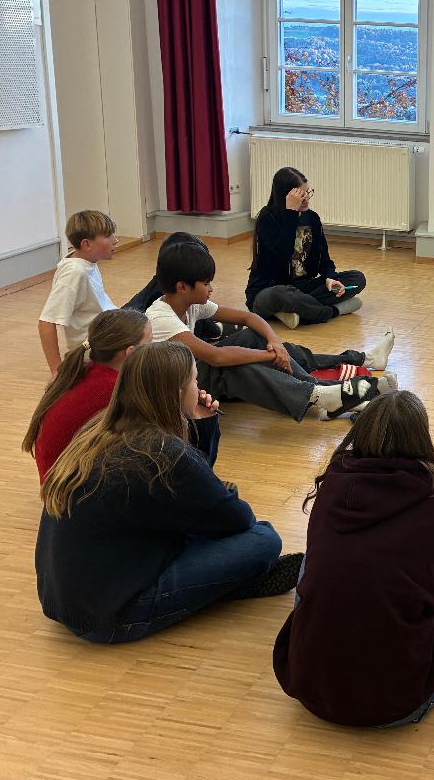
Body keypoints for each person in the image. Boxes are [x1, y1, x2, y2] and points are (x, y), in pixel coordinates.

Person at [35, 341, 303, 643]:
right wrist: (206, 438)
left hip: (60, 599)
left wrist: (201, 427)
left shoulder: (99, 428)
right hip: (112, 615)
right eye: (195, 380)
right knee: (264, 539)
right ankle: (223, 586)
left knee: (202, 519)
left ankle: (217, 583)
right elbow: (237, 519)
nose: (199, 388)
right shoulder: (161, 452)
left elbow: (197, 493)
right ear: (177, 392)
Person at [273, 391, 434, 727]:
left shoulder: (332, 486)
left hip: (309, 686)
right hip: (398, 702)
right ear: (422, 441)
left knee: (320, 560)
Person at [148, 242, 395, 420]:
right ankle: (321, 394)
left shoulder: (190, 303)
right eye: (206, 283)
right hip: (175, 392)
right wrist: (269, 355)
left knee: (253, 337)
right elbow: (216, 357)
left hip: (193, 375)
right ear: (182, 287)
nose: (211, 288)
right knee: (233, 367)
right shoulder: (160, 318)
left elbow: (247, 318)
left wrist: (274, 342)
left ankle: (326, 387)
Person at [23, 309, 224, 483]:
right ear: (131, 353)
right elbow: (173, 456)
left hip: (64, 485)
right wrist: (194, 415)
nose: (154, 348)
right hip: (74, 493)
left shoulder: (87, 371)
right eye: (149, 343)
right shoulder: (116, 390)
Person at [245, 167, 366, 329]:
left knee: (357, 278)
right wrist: (291, 213)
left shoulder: (312, 218)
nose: (307, 198)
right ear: (286, 197)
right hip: (269, 291)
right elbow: (283, 253)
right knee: (283, 294)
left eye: (308, 192)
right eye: (301, 195)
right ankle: (333, 311)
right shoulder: (267, 218)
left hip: (301, 288)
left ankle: (293, 311)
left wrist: (330, 277)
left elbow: (324, 259)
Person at [38, 210, 118, 374]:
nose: (115, 240)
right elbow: (46, 322)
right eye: (108, 236)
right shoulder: (74, 272)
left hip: (108, 331)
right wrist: (56, 370)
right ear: (86, 244)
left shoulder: (87, 262)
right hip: (97, 347)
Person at [123, 232, 223, 342]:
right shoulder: (163, 303)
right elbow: (215, 352)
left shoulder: (170, 285)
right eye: (206, 283)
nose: (211, 289)